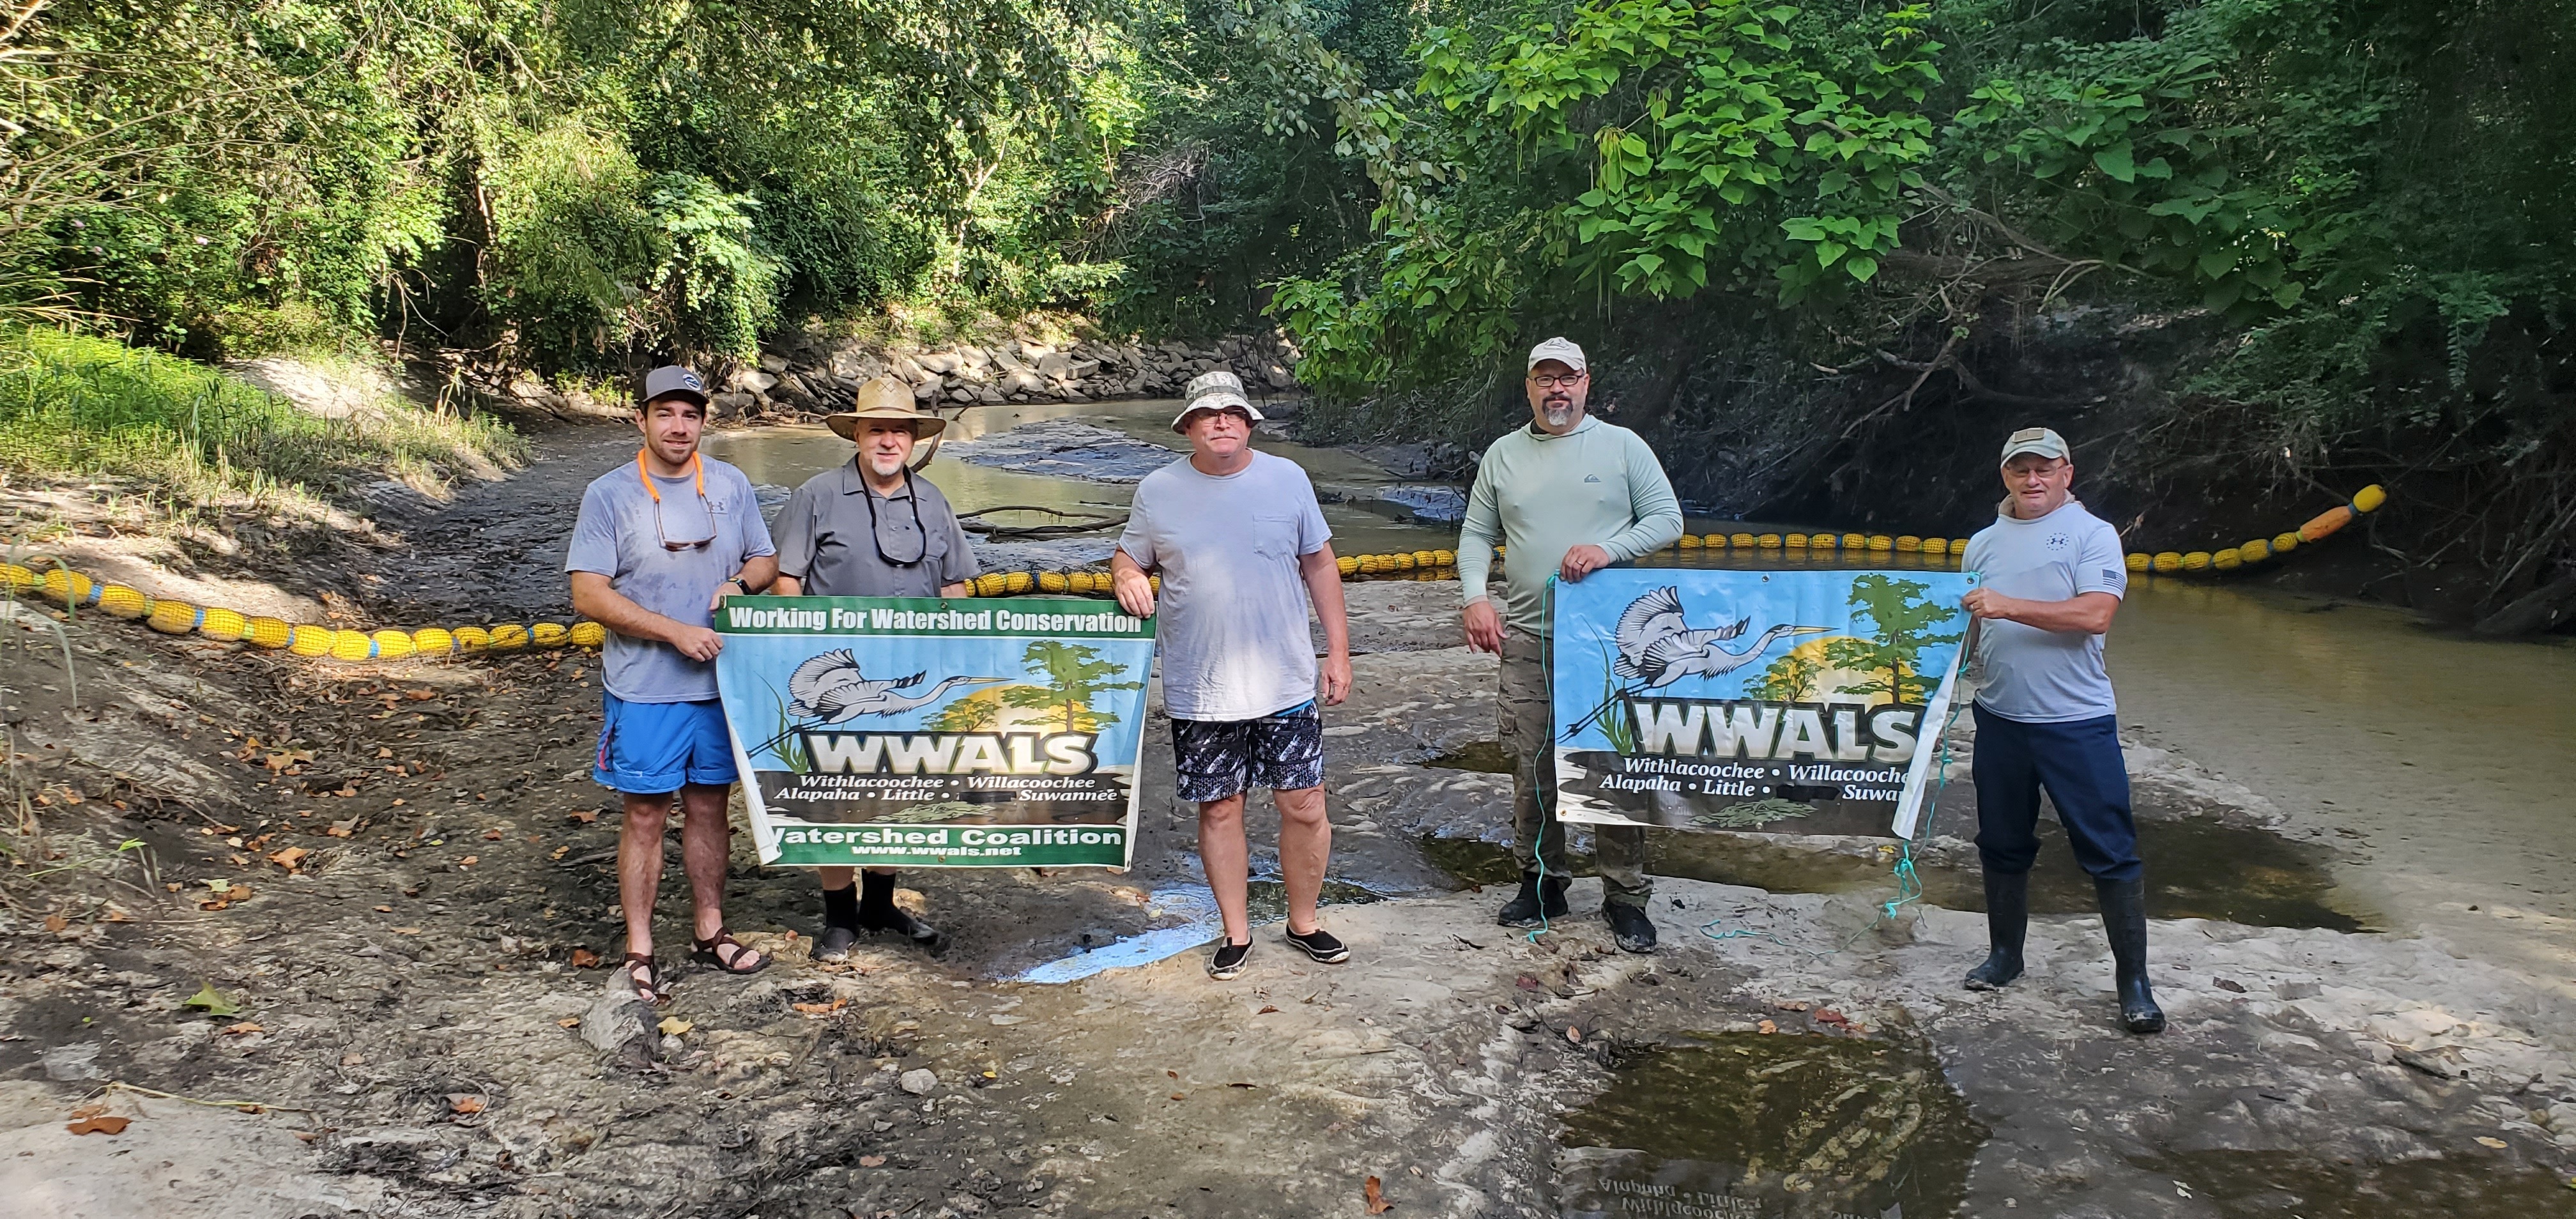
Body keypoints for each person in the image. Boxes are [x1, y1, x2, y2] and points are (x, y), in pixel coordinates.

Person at [1111, 371, 1354, 980]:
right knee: (1220, 810)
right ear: (1188, 427)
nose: (1221, 421)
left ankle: (1304, 923)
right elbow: (1128, 553)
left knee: (1304, 804)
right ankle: (1237, 933)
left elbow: (1319, 564)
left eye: (1232, 413)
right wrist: (1125, 574)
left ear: (1249, 423)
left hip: (1286, 681)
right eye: (1208, 414)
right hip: (1201, 685)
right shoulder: (1158, 490)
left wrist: (1339, 652)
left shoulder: (1288, 479)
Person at [1457, 337, 1684, 953]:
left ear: (1587, 382)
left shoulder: (1621, 447)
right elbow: (1478, 533)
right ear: (1528, 387)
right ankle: (1541, 882)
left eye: (1568, 378)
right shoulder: (1503, 456)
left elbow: (1668, 519)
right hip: (1529, 637)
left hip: (1610, 645)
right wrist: (1476, 597)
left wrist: (1609, 550)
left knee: (1611, 766)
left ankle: (1625, 896)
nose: (1556, 390)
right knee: (1532, 768)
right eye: (1544, 379)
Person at [568, 364, 779, 1005]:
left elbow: (765, 558)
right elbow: (587, 593)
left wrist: (741, 585)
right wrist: (670, 630)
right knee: (646, 816)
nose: (679, 426)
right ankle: (639, 949)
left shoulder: (733, 485)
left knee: (712, 810)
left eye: (690, 414)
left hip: (720, 685)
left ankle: (710, 932)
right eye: (666, 413)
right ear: (642, 419)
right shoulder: (608, 495)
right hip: (644, 685)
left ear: (704, 421)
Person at [1959, 426, 2164, 1034]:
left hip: (2076, 723)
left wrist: (2007, 606)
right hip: (1999, 720)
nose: (2033, 480)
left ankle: (2134, 982)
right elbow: (1968, 630)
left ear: (2067, 473)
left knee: (2110, 851)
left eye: (2044, 468)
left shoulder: (2093, 535)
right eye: (2020, 470)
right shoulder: (1982, 544)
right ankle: (2005, 957)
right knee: (2000, 844)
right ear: (2006, 477)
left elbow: (2096, 613)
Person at [769, 376, 977, 960]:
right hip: (837, 674)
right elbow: (787, 582)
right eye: (877, 429)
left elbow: (954, 584)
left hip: (908, 674)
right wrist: (795, 648)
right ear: (857, 433)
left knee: (897, 783)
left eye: (900, 431)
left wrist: (959, 649)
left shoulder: (933, 500)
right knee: (831, 787)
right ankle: (839, 915)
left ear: (913, 439)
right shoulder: (816, 495)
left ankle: (881, 903)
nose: (889, 441)